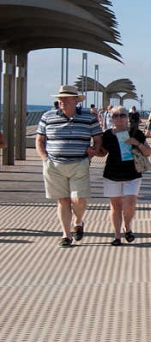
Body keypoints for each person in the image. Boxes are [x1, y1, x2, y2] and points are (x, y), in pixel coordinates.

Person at [36, 85, 102, 247]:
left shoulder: (88, 118)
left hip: (79, 163)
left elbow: (98, 138)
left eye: (66, 98)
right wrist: (45, 159)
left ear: (75, 101)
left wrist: (94, 150)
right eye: (60, 99)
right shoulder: (47, 116)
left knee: (78, 199)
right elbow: (40, 140)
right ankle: (66, 235)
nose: (62, 101)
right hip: (54, 164)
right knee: (63, 201)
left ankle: (78, 222)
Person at [95, 107, 151, 244]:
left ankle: (127, 227)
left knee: (130, 204)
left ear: (127, 117)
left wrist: (136, 143)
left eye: (122, 115)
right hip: (112, 174)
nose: (118, 118)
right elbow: (103, 152)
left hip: (132, 174)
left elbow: (148, 152)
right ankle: (117, 236)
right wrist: (92, 151)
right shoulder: (107, 135)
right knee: (115, 206)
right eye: (115, 116)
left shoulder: (135, 133)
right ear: (111, 118)